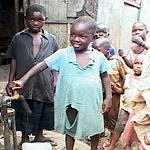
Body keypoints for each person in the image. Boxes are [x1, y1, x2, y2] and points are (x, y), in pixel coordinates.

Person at [10, 16, 112, 150]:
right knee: (70, 127)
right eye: (73, 34)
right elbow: (42, 65)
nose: (76, 39)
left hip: (92, 101)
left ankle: (94, 148)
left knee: (93, 127)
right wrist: (23, 80)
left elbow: (105, 76)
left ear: (93, 38)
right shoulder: (63, 54)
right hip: (70, 100)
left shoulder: (98, 57)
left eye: (82, 36)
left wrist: (109, 97)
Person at [6, 4, 58, 149]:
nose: (35, 23)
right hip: (23, 82)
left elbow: (54, 62)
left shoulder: (51, 39)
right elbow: (14, 60)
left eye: (39, 20)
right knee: (23, 108)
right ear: (25, 20)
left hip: (44, 82)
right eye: (31, 19)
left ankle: (39, 135)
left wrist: (55, 79)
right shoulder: (18, 38)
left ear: (45, 20)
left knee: (41, 108)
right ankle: (24, 137)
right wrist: (10, 80)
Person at [92, 38, 127, 149]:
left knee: (113, 116)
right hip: (99, 93)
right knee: (100, 115)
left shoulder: (116, 61)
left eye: (97, 50)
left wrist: (121, 89)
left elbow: (125, 76)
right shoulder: (94, 60)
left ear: (107, 50)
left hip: (114, 95)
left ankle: (112, 139)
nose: (94, 52)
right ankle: (100, 132)